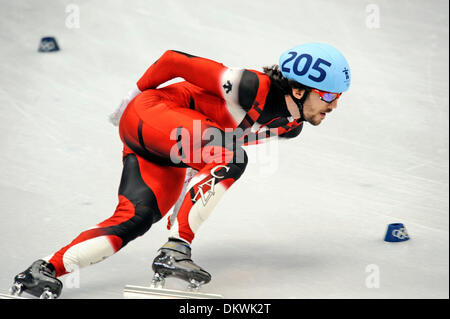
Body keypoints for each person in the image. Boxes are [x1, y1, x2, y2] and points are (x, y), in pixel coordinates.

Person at [10, 42, 351, 298]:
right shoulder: (250, 85)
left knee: (136, 219)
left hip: (165, 146)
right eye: (329, 95)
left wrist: (196, 174)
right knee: (233, 158)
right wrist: (132, 97)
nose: (335, 105)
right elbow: (174, 60)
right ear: (297, 88)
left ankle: (43, 270)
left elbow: (226, 143)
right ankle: (176, 251)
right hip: (153, 112)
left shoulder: (290, 126)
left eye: (338, 97)